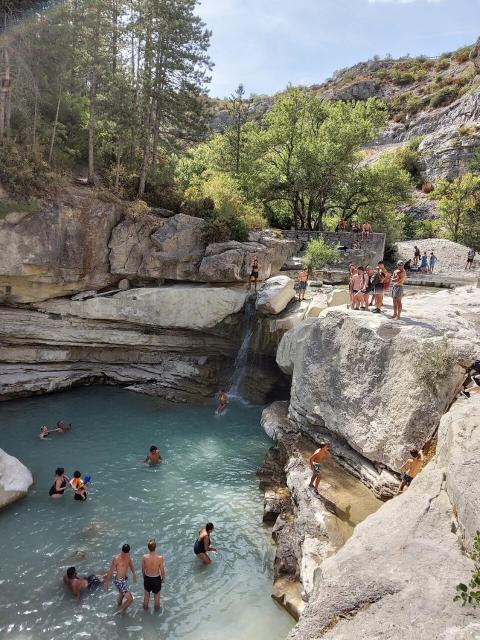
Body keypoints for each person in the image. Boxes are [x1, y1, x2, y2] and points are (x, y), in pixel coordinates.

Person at [104, 543, 137, 615]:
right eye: (124, 554)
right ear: (122, 551)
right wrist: (106, 584)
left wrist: (134, 574)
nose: (125, 556)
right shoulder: (116, 559)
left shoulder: (128, 556)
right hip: (119, 582)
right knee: (130, 599)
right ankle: (122, 611)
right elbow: (110, 571)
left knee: (121, 595)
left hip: (124, 579)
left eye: (126, 554)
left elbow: (131, 564)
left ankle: (118, 607)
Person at [141, 539, 165, 611]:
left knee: (146, 595)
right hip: (156, 578)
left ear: (148, 548)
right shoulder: (160, 558)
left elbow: (142, 569)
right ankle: (156, 613)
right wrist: (162, 578)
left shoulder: (144, 557)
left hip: (147, 578)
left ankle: (145, 612)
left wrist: (144, 578)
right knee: (157, 596)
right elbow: (162, 570)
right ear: (155, 547)